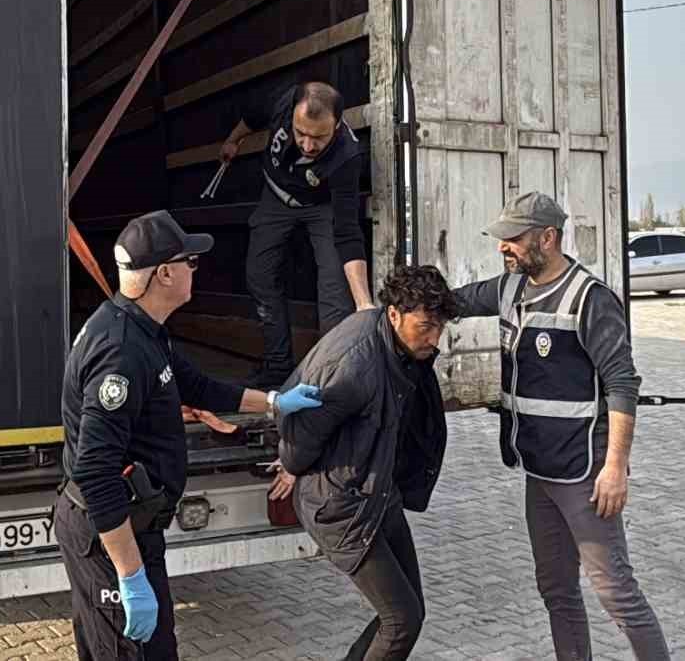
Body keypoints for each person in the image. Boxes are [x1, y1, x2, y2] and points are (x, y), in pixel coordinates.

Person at [56, 210, 324, 660]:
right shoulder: (120, 353)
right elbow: (96, 473)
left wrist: (276, 401)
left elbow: (196, 384)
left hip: (134, 527)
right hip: (110, 536)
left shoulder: (143, 329)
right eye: (189, 262)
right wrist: (129, 576)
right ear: (164, 273)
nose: (194, 270)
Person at [452, 192, 671, 661]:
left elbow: (622, 384)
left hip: (584, 474)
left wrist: (615, 468)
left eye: (513, 238)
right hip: (539, 469)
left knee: (617, 595)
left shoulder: (590, 299)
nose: (502, 247)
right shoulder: (508, 288)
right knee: (555, 589)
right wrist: (390, 304)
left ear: (547, 238)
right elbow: (452, 302)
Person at [274, 265, 456, 661]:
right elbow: (297, 438)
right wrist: (292, 466)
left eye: (439, 327)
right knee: (400, 620)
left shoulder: (395, 343)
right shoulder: (355, 366)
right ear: (394, 314)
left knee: (411, 611)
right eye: (425, 327)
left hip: (379, 493)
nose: (434, 338)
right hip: (343, 506)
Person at [219, 81, 372, 388]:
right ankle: (277, 365)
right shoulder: (282, 101)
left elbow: (347, 231)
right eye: (300, 133)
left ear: (338, 125)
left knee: (334, 290)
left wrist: (364, 303)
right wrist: (233, 141)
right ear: (291, 115)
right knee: (259, 275)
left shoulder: (347, 156)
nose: (307, 145)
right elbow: (251, 117)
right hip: (275, 196)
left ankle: (330, 375)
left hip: (321, 206)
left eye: (318, 137)